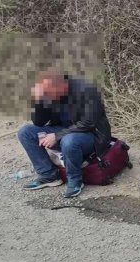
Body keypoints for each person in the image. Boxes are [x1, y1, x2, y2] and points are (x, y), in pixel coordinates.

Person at [17, 69, 112, 198]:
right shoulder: (50, 93)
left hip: (92, 135)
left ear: (63, 85)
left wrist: (57, 136)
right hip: (64, 130)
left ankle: (75, 180)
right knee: (25, 132)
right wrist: (37, 100)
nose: (47, 96)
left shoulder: (87, 89)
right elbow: (39, 122)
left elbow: (89, 123)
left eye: (48, 93)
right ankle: (48, 175)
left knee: (69, 140)